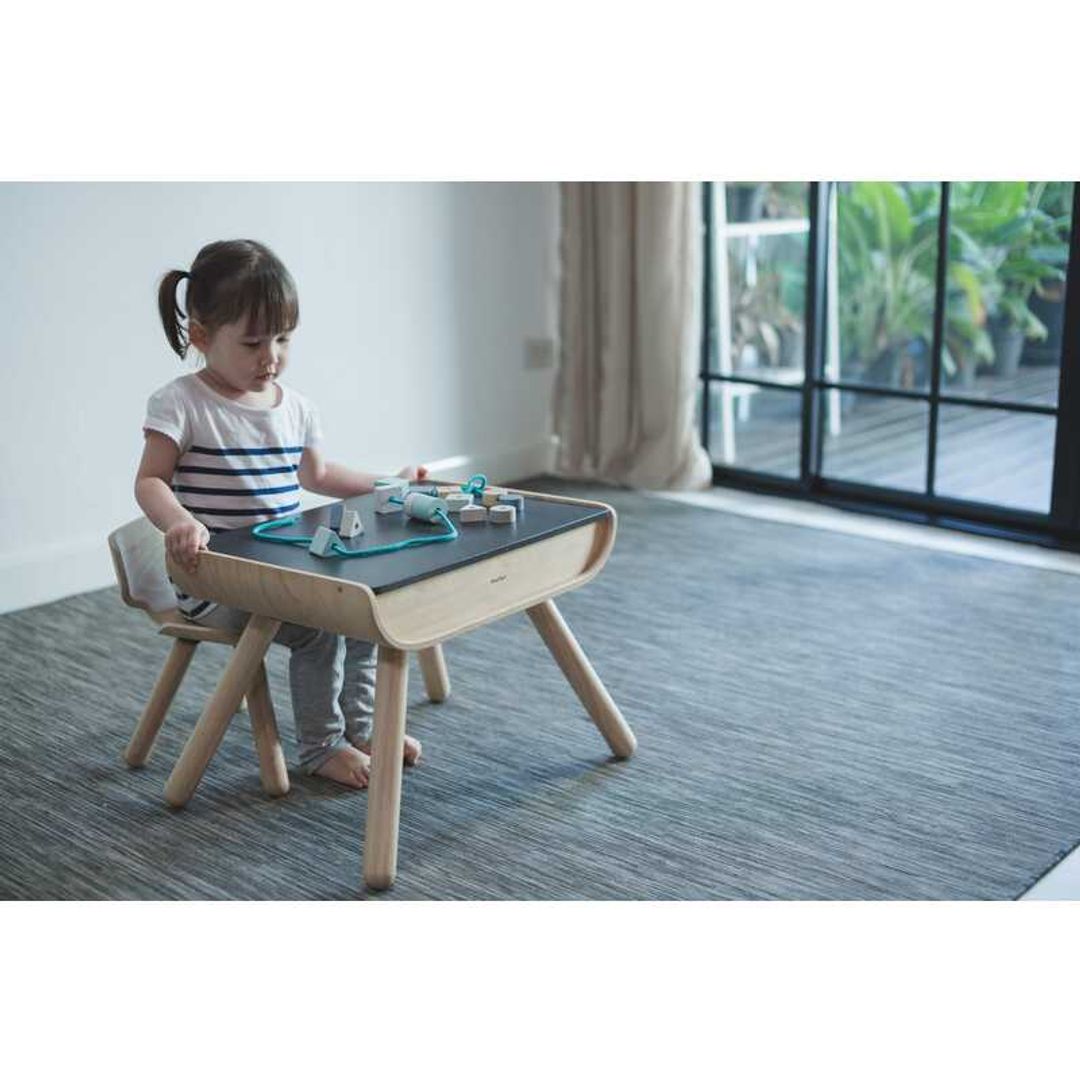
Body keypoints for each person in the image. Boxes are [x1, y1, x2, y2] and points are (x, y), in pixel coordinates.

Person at [134, 238, 422, 790]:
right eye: (252, 343)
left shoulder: (296, 408)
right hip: (216, 580)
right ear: (201, 336)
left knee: (365, 614)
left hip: (283, 570)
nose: (271, 357)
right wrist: (179, 521)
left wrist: (393, 483)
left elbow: (320, 475)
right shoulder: (181, 403)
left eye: (283, 338)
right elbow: (149, 480)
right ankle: (321, 747)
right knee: (319, 631)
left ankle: (364, 730)